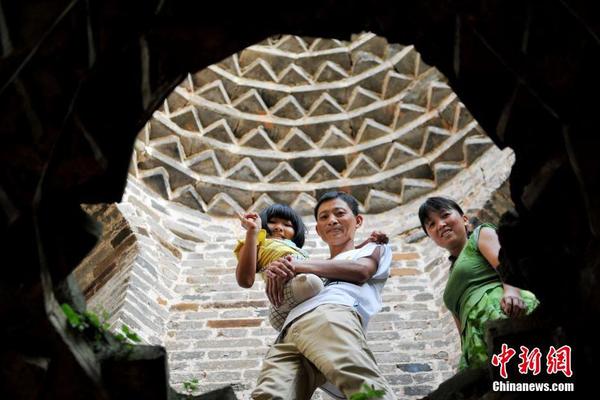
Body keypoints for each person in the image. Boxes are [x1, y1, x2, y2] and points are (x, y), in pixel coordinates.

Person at [251, 192, 396, 400]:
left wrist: (296, 266)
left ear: (358, 220)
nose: (332, 220)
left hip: (332, 316)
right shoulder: (311, 265)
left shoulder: (373, 248)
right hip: (289, 330)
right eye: (324, 217)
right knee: (269, 395)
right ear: (318, 230)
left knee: (362, 386)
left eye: (339, 213)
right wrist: (277, 272)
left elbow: (361, 271)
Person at [418, 196, 539, 370]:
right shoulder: (452, 275)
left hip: (504, 310)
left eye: (445, 215)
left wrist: (512, 292)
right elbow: (461, 328)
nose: (440, 224)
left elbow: (507, 266)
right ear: (431, 237)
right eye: (431, 224)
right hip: (476, 339)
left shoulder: (480, 234)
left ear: (464, 219)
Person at [234, 203, 386, 331]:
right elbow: (245, 281)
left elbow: (336, 263)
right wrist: (253, 232)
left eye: (287, 225)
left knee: (321, 280)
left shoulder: (302, 255)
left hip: (309, 293)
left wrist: (366, 244)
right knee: (310, 283)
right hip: (284, 300)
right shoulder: (256, 243)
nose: (279, 228)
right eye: (273, 222)